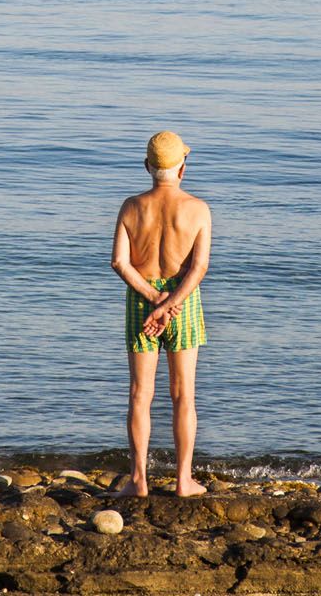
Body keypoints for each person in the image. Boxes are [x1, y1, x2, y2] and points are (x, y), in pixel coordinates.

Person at [110, 130, 212, 498]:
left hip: (142, 302)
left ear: (147, 167)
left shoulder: (131, 206)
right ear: (183, 168)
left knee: (140, 394)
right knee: (184, 394)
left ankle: (139, 479)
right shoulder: (198, 209)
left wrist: (154, 298)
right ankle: (184, 480)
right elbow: (199, 269)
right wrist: (170, 303)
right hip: (183, 303)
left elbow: (120, 262)